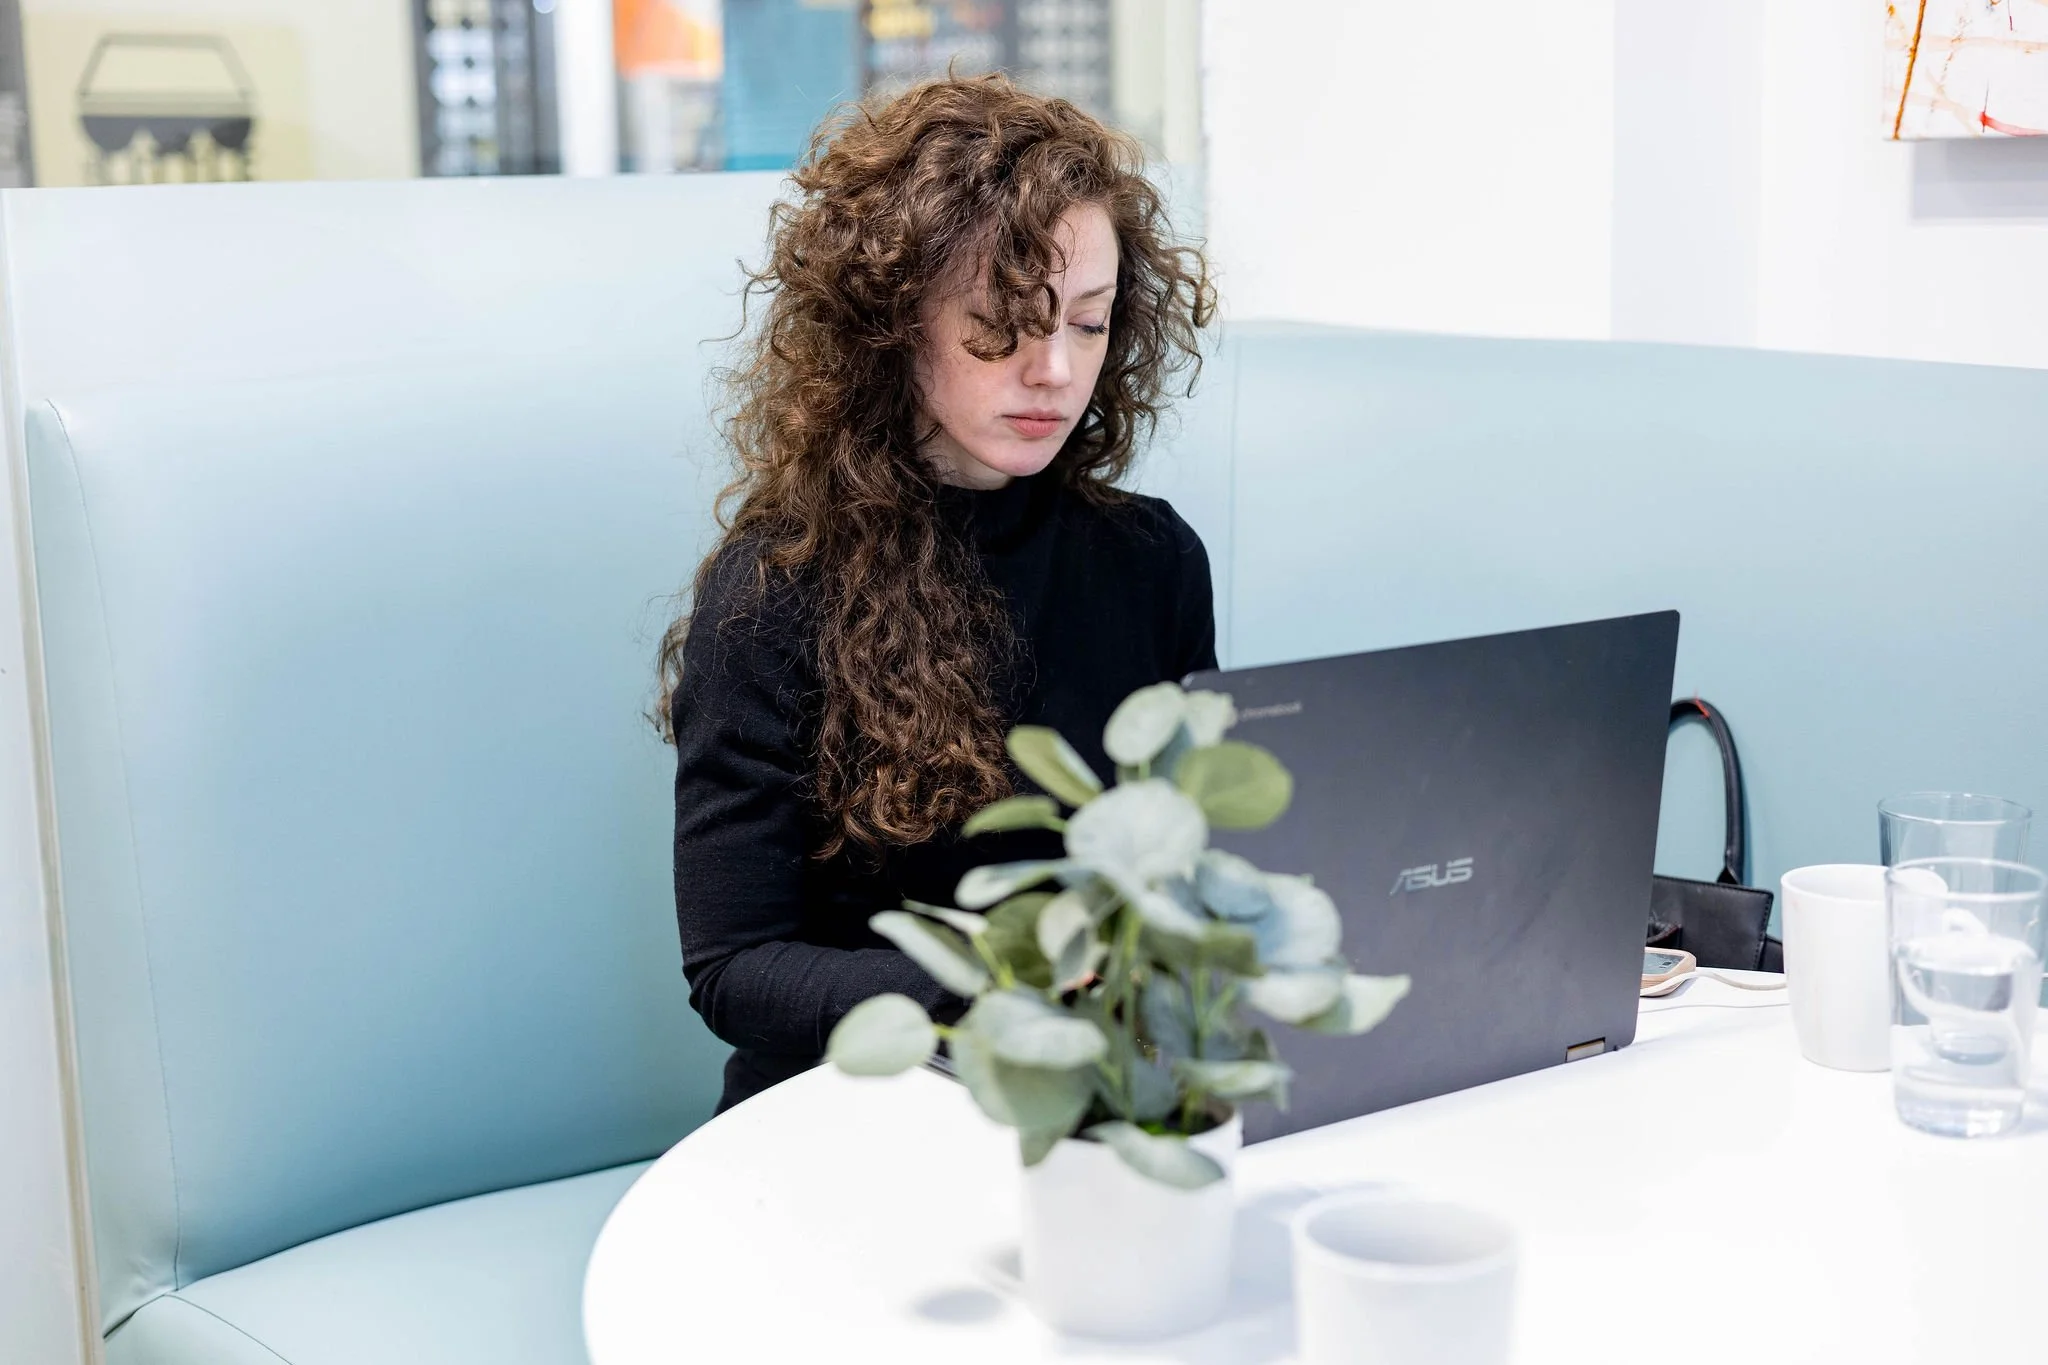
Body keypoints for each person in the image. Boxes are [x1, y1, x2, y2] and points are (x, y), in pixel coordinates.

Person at [658, 74, 1217, 1112]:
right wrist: (1007, 983)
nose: (1053, 369)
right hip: (853, 1105)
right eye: (1002, 321)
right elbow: (734, 970)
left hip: (1088, 1088)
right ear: (890, 321)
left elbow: (1190, 857)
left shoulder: (1151, 561)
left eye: (1088, 324)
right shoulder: (773, 593)